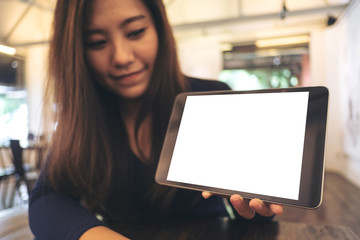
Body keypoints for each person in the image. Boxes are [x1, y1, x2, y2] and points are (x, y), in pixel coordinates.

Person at [28, 0, 283, 239]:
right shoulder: (85, 119)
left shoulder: (210, 97)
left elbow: (251, 212)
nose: (122, 57)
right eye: (97, 42)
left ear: (160, 29)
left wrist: (256, 207)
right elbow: (45, 199)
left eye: (136, 32)